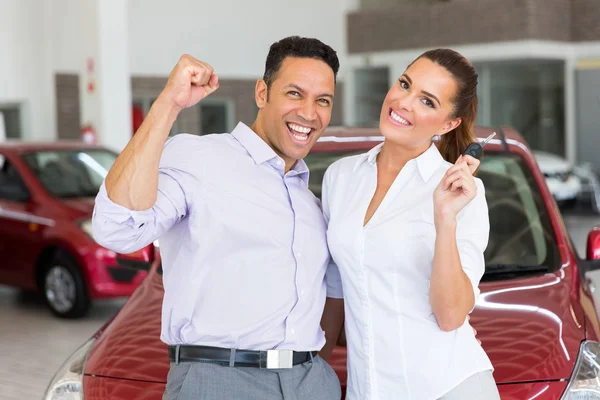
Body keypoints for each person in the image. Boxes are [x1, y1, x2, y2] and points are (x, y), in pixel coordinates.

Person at [91, 36, 343, 400]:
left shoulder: (311, 202)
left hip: (310, 382)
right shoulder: (198, 157)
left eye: (323, 101)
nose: (309, 112)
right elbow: (117, 228)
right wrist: (169, 104)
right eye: (294, 93)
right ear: (262, 93)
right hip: (218, 381)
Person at [319, 49, 501, 400]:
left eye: (427, 101)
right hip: (367, 390)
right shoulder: (340, 177)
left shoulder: (461, 192)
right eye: (405, 84)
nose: (403, 102)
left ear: (449, 124)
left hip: (447, 388)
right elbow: (336, 290)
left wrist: (444, 219)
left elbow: (450, 315)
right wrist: (309, 372)